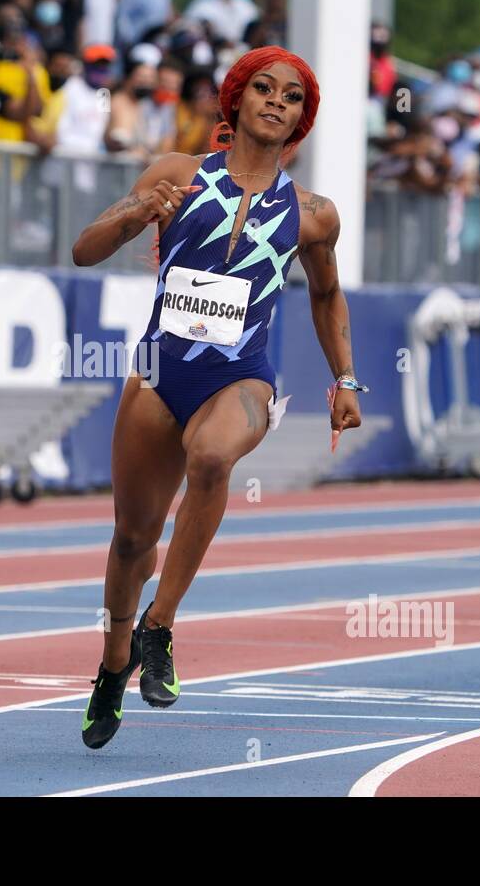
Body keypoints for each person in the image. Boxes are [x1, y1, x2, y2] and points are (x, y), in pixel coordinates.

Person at [71, 46, 363, 748]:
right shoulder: (177, 174)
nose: (275, 102)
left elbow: (326, 294)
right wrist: (139, 210)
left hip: (241, 374)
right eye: (262, 88)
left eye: (290, 98)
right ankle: (115, 661)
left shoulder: (314, 214)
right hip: (158, 371)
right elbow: (84, 249)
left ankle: (160, 624)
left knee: (212, 458)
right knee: (132, 538)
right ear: (235, 99)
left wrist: (345, 378)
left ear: (301, 120)